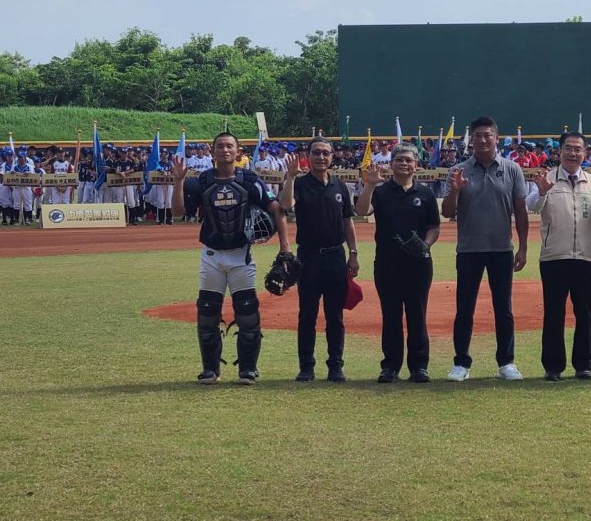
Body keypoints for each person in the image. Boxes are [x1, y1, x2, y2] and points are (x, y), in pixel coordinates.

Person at [173, 132, 291, 385]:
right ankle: (210, 370)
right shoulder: (201, 181)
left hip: (241, 256)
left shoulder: (250, 180)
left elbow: (277, 210)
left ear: (238, 152)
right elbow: (178, 212)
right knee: (207, 313)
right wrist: (178, 182)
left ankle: (247, 369)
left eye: (229, 146)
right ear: (213, 151)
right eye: (220, 146)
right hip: (212, 256)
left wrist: (285, 248)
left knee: (248, 313)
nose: (225, 150)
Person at [442, 115, 529, 382]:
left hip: (501, 249)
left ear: (496, 138)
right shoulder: (459, 170)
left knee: (503, 308)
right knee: (464, 309)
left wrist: (523, 247)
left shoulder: (512, 169)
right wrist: (455, 191)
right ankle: (461, 363)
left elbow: (521, 211)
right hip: (469, 250)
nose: (482, 139)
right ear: (472, 140)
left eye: (487, 135)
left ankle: (506, 362)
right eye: (478, 135)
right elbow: (447, 212)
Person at [526, 132, 591, 381]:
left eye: (577, 149)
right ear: (559, 152)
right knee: (554, 311)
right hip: (554, 256)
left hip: (586, 257)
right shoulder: (547, 179)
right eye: (568, 149)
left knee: (585, 311)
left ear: (585, 153)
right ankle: (553, 366)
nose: (572, 153)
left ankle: (584, 365)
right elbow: (532, 206)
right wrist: (541, 192)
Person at [355, 143, 441, 383]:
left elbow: (434, 227)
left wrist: (425, 245)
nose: (404, 164)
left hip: (418, 264)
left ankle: (419, 366)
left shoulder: (425, 194)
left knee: (417, 314)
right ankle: (390, 366)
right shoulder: (381, 192)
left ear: (416, 165)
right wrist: (370, 184)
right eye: (399, 160)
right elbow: (361, 210)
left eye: (409, 160)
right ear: (391, 164)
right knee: (391, 315)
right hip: (387, 263)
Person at [279, 136, 360, 383]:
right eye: (316, 153)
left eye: (326, 153)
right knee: (307, 314)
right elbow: (285, 205)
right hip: (309, 257)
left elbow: (348, 221)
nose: (321, 157)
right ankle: (306, 366)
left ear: (332, 156)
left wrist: (353, 253)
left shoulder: (339, 186)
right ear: (309, 156)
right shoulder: (300, 184)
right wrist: (291, 177)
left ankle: (335, 366)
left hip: (336, 256)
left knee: (335, 315)